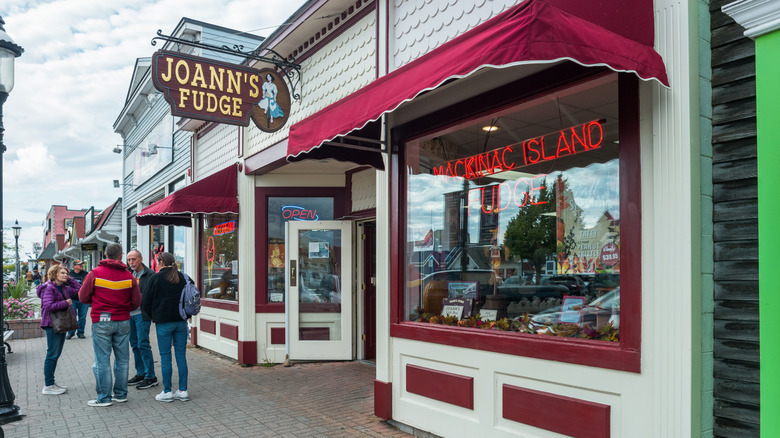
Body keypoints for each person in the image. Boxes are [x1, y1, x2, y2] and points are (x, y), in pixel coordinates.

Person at [78, 243, 141, 407]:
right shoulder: (129, 276)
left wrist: (97, 303)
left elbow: (83, 297)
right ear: (121, 256)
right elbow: (136, 302)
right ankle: (120, 394)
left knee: (102, 360)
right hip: (123, 321)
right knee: (122, 359)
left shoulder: (95, 274)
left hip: (101, 321)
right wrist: (124, 308)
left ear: (105, 255)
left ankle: (104, 398)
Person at [142, 252, 189, 402]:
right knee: (181, 356)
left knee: (165, 357)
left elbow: (145, 302)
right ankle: (183, 390)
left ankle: (167, 391)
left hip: (163, 323)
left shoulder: (155, 278)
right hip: (181, 322)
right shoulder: (183, 277)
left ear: (160, 262)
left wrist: (153, 316)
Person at [37, 265, 81, 395]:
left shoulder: (62, 287)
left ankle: (50, 383)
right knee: (52, 355)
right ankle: (48, 386)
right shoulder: (49, 288)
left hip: (60, 324)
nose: (65, 275)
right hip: (52, 325)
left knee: (55, 354)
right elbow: (48, 306)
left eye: (67, 273)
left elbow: (79, 289)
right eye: (62, 273)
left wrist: (69, 279)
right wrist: (65, 303)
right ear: (54, 274)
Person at [125, 249, 158, 390]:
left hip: (142, 314)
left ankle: (151, 376)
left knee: (143, 344)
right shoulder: (126, 274)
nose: (131, 262)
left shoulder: (150, 275)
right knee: (134, 345)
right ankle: (140, 373)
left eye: (134, 259)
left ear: (141, 259)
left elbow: (153, 295)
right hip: (129, 315)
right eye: (129, 260)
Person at [66, 260, 89, 340]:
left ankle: (81, 332)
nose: (81, 266)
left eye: (82, 264)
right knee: (72, 316)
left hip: (83, 299)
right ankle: (71, 333)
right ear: (74, 266)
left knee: (82, 317)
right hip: (72, 299)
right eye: (79, 265)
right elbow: (65, 287)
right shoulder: (69, 275)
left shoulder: (86, 274)